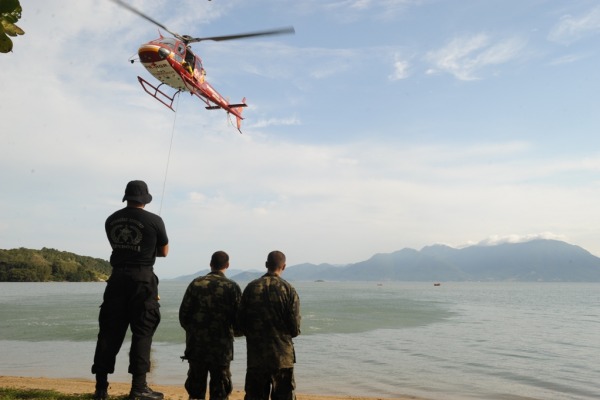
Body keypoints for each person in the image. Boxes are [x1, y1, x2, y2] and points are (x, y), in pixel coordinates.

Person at [91, 180, 169, 400]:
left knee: (108, 332)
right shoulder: (155, 220)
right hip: (142, 279)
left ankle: (101, 388)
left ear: (127, 197)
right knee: (142, 332)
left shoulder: (111, 219)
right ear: (145, 199)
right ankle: (138, 388)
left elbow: (118, 246)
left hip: (116, 279)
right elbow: (164, 252)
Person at [179, 251, 242, 400]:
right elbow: (239, 320)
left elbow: (183, 315)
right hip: (221, 349)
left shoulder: (196, 283)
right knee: (220, 392)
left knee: (195, 392)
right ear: (227, 265)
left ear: (210, 264)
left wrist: (193, 332)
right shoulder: (232, 287)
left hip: (196, 346)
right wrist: (234, 333)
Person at [238, 251, 301, 400]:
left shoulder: (251, 288)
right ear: (283, 266)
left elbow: (239, 325)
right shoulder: (289, 290)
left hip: (256, 357)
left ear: (266, 265)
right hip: (282, 358)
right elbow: (295, 329)